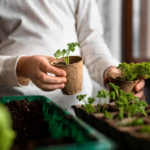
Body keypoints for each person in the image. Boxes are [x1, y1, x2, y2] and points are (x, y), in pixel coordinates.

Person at [0, 0, 145, 114]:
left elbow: (91, 43)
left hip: (77, 112)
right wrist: (21, 66)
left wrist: (112, 71)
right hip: (14, 107)